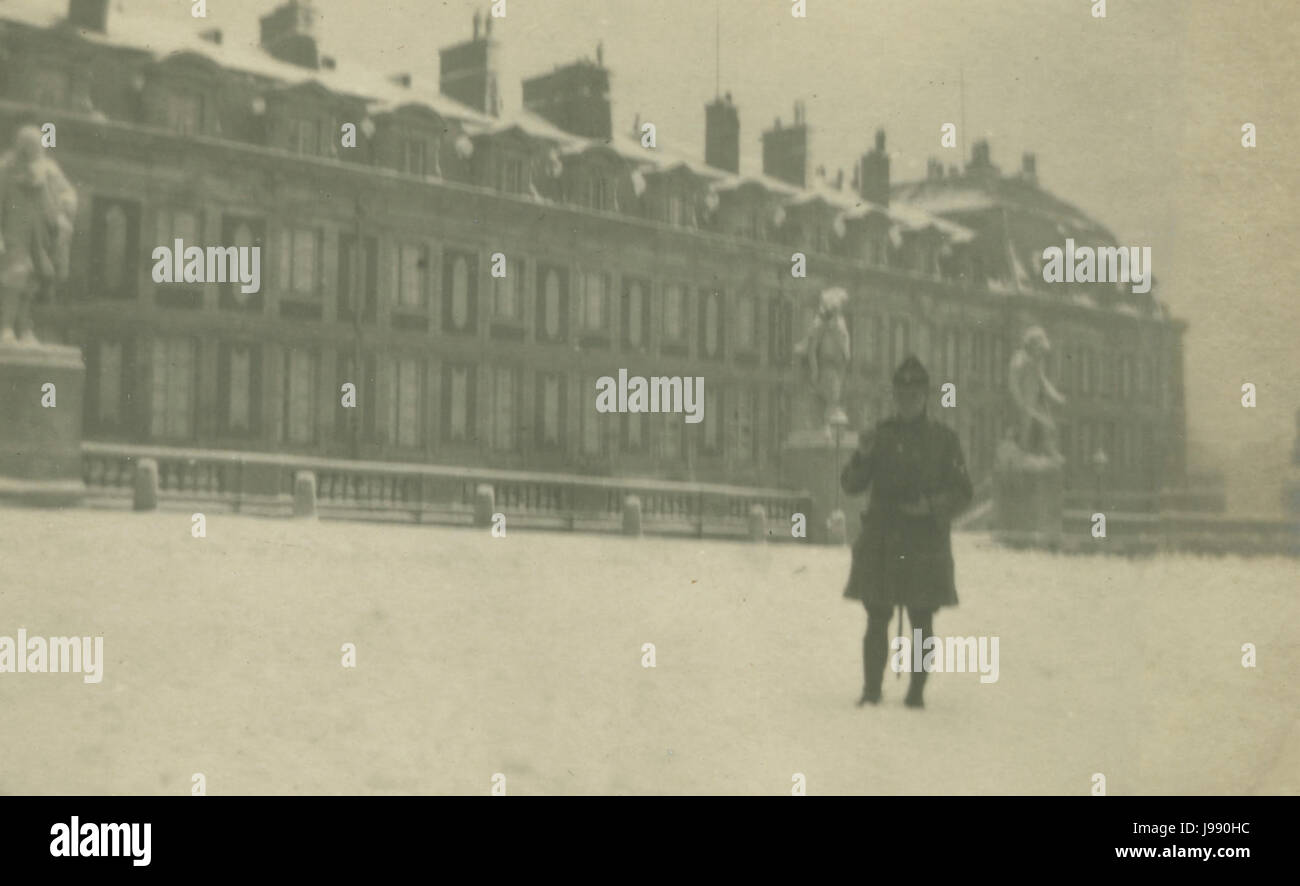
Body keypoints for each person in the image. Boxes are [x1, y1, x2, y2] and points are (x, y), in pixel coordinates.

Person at [840, 355, 973, 709]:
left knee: (921, 619)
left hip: (924, 543)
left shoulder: (944, 440)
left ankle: (916, 692)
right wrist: (862, 455)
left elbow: (963, 491)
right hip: (883, 539)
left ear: (925, 397)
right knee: (877, 617)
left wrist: (931, 506)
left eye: (914, 395)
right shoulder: (879, 436)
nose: (907, 402)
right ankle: (871, 690)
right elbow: (851, 485)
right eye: (901, 395)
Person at [0, 125, 77, 346]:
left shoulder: (48, 170)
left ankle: (24, 328)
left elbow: (67, 193)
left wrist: (64, 210)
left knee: (32, 280)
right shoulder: (6, 169)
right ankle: (5, 327)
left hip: (40, 234)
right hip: (14, 232)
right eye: (28, 146)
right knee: (15, 276)